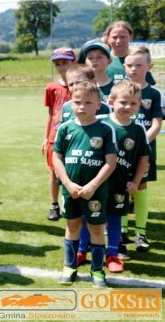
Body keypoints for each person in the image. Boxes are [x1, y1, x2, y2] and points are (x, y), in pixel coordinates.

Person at [77, 81, 150, 273]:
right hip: (95, 183)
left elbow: (143, 158)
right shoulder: (99, 121)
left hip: (120, 184)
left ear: (139, 105)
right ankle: (82, 250)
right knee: (88, 217)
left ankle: (112, 254)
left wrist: (135, 182)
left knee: (115, 218)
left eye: (133, 104)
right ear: (111, 101)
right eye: (123, 102)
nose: (128, 107)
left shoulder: (138, 129)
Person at [53, 81, 117, 288]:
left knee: (96, 229)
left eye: (88, 102)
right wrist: (67, 183)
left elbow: (111, 162)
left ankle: (97, 270)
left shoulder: (105, 129)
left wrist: (92, 185)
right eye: (77, 101)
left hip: (95, 192)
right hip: (69, 189)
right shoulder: (65, 128)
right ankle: (70, 266)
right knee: (72, 226)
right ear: (71, 103)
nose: (82, 106)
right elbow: (56, 158)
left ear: (99, 104)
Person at [123, 45, 163, 253]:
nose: (133, 69)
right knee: (120, 187)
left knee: (140, 187)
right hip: (120, 152)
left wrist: (141, 142)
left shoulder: (154, 93)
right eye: (129, 65)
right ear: (124, 66)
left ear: (149, 66)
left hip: (143, 152)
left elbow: (156, 123)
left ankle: (140, 233)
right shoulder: (119, 90)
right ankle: (121, 232)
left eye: (139, 65)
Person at [42, 47, 76, 221]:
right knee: (55, 171)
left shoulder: (81, 86)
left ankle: (72, 203)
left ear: (74, 62)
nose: (62, 67)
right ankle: (54, 205)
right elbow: (50, 114)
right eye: (58, 64)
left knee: (74, 170)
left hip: (76, 136)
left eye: (65, 63)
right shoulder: (52, 87)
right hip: (55, 136)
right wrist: (46, 137)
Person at [101, 21, 156, 85]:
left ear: (131, 37)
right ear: (108, 38)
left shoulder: (138, 60)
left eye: (123, 37)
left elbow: (148, 89)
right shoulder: (101, 60)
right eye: (114, 37)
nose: (118, 41)